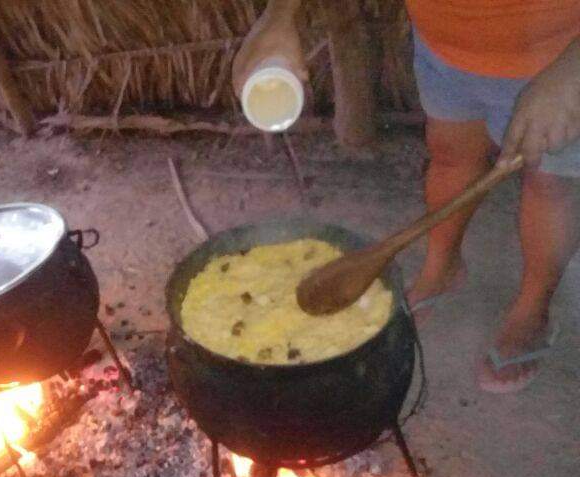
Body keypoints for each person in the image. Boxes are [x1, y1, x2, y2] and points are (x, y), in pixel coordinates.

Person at [231, 0, 580, 393]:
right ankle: (441, 269)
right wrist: (278, 16)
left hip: (558, 54)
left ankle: (533, 309)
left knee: (550, 184)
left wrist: (573, 70)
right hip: (444, 47)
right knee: (450, 154)